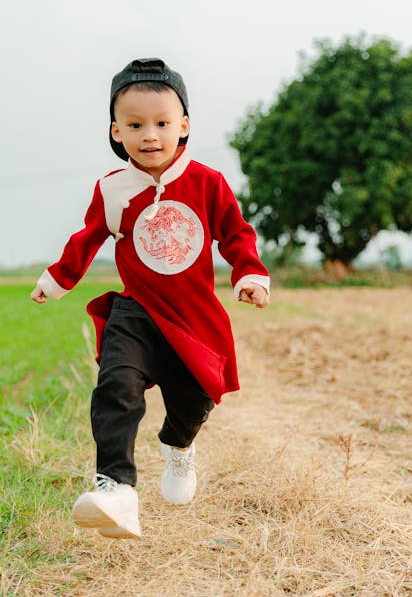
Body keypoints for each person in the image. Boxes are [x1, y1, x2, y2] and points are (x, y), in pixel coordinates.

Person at [31, 58, 270, 539]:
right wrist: (58, 279)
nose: (150, 135)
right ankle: (116, 489)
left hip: (193, 316)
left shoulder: (207, 182)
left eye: (162, 123)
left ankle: (179, 448)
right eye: (136, 125)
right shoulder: (113, 189)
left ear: (183, 125)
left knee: (194, 401)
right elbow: (87, 238)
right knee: (115, 385)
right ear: (116, 131)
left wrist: (250, 274)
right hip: (136, 310)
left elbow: (236, 235)